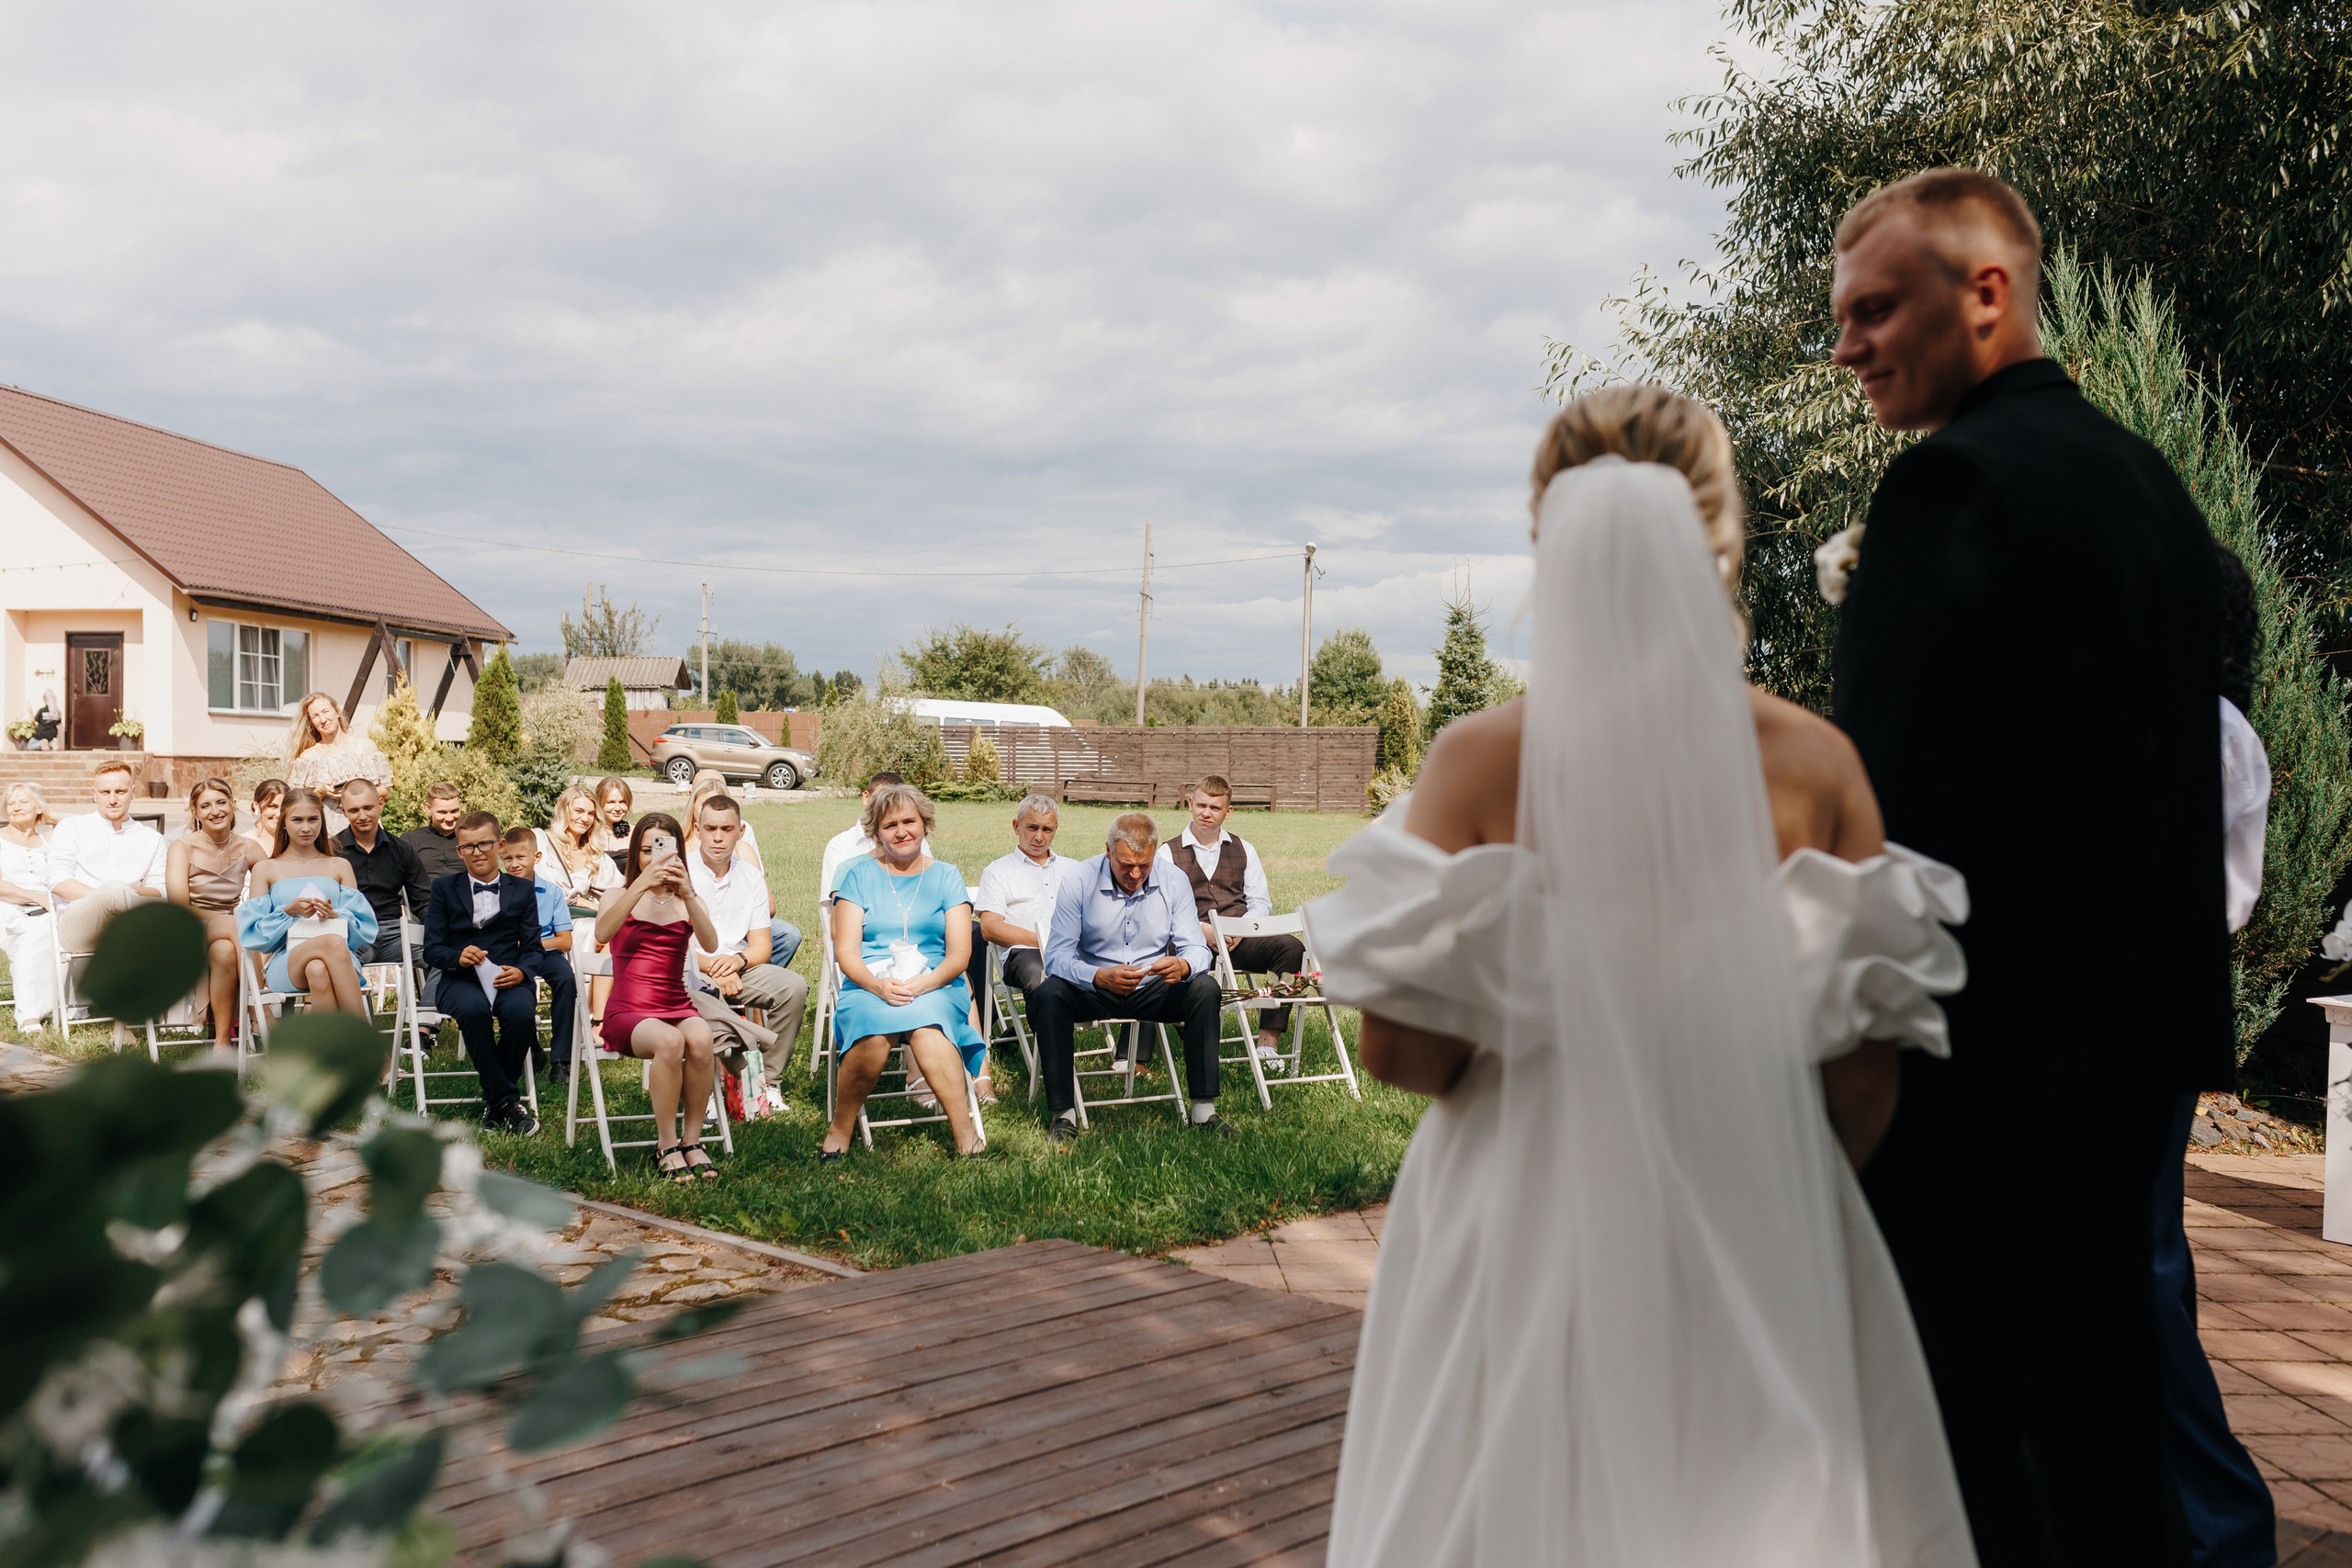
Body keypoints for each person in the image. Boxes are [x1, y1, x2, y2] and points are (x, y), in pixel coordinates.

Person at [1305, 386, 1973, 1565]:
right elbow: (1865, 1074)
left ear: (1545, 542)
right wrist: (1779, 1187)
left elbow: (1402, 1054)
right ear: (1723, 539)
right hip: (1753, 1196)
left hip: (1515, 1214)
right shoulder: (1815, 764)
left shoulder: (1475, 761)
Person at [1828, 168, 2225, 1565]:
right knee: (2109, 1415)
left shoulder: (1953, 486)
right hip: (2140, 1049)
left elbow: (1875, 803)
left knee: (1952, 1433)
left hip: (1981, 1063)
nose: (1847, 345)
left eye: (1876, 308)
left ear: (1985, 293)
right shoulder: (2148, 484)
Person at [2153, 546, 2275, 1568]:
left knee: (2141, 1273)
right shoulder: (2226, 730)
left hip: (2132, 1010)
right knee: (2149, 1267)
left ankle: (2222, 1528)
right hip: (2159, 1007)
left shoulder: (2196, 731)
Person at [1035, 813, 1232, 1148]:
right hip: (1094, 985)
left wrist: (1184, 965)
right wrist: (1097, 976)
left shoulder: (1173, 880)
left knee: (1205, 987)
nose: (1136, 875)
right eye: (1126, 865)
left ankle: (1203, 1111)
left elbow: (1197, 948)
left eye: (1145, 865)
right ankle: (1064, 1114)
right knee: (1050, 992)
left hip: (1151, 985)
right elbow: (1056, 957)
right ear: (1108, 852)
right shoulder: (1079, 880)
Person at [823, 784, 987, 1159]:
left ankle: (964, 1131)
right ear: (876, 832)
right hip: (870, 983)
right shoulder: (858, 877)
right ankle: (841, 1126)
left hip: (937, 982)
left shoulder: (947, 876)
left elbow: (960, 953)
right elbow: (845, 951)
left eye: (909, 821)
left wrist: (925, 982)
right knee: (873, 1033)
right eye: (890, 824)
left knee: (930, 1031)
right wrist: (879, 986)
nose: (901, 831)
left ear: (924, 823)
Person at [594, 812, 723, 1182]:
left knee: (700, 1037)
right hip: (628, 1010)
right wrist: (640, 885)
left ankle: (692, 1141)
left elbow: (712, 944)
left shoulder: (686, 900)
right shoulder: (618, 894)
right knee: (670, 1041)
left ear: (679, 854)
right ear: (635, 854)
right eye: (647, 850)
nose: (655, 857)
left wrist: (687, 892)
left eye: (663, 850)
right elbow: (602, 931)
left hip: (675, 1003)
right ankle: (666, 1145)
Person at [1159, 774, 1300, 1073]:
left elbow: (1261, 902)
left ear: (1228, 811)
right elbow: (1161, 910)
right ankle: (1185, 1027)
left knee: (1291, 948)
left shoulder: (1244, 849)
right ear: (1189, 804)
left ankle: (1266, 1044)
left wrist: (1239, 928)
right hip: (1190, 942)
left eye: (1214, 807)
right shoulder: (1167, 853)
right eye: (1201, 805)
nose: (1206, 813)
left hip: (1239, 938)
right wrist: (1201, 929)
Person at [421, 810, 549, 1135]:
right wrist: (457, 956)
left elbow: (534, 947)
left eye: (485, 844)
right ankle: (507, 1102)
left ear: (500, 843)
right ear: (458, 851)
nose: (477, 852)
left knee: (521, 1014)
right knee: (474, 1012)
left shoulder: (521, 889)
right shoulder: (444, 889)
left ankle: (496, 1102)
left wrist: (521, 972)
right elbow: (432, 948)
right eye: (468, 847)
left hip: (508, 977)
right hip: (459, 980)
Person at [239, 787, 377, 1021]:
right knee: (330, 945)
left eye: (313, 819)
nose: (306, 828)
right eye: (297, 820)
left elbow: (364, 930)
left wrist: (335, 915)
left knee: (318, 970)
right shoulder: (266, 868)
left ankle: (319, 1055)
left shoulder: (339, 866)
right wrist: (286, 912)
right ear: (284, 823)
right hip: (287, 960)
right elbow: (254, 935)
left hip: (340, 959)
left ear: (322, 822)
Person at [684, 792, 808, 1048]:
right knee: (708, 995)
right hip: (688, 968)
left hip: (739, 967)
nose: (718, 837)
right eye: (710, 828)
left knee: (793, 988)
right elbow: (669, 944)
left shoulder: (751, 876)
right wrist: (711, 968)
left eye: (726, 829)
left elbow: (762, 946)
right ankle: (719, 1078)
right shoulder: (681, 870)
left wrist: (735, 961)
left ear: (740, 831)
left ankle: (769, 1079)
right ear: (697, 829)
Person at [971, 794, 1077, 1092]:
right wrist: (1043, 940)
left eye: (1047, 829)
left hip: (1075, 951)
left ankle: (1127, 1057)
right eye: (1032, 828)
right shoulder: (999, 871)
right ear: (1017, 825)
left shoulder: (1073, 869)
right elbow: (990, 929)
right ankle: (1057, 1073)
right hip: (1025, 954)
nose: (1039, 837)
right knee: (1044, 982)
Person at [168, 777, 257, 1056]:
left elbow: (269, 892)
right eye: (205, 806)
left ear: (233, 805)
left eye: (221, 802)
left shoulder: (250, 848)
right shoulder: (182, 847)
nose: (215, 811)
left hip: (231, 937)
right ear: (195, 812)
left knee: (223, 952)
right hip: (189, 929)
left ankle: (221, 1042)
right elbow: (179, 905)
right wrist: (229, 921)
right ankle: (263, 1007)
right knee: (234, 924)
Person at [49, 759, 167, 956]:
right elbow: (59, 882)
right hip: (78, 925)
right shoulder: (71, 827)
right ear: (94, 794)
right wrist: (108, 897)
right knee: (115, 890)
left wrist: (122, 895)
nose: (112, 799)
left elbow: (161, 891)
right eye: (105, 792)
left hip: (131, 920)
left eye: (120, 791)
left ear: (133, 791)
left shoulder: (152, 838)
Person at [686, 768, 801, 966]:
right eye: (706, 804)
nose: (714, 809)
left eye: (719, 803)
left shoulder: (742, 847)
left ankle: (753, 974)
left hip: (741, 923)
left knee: (787, 935)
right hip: (695, 934)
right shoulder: (681, 847)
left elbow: (768, 906)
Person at [538, 785, 626, 1029]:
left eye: (590, 814)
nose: (584, 819)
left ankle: (597, 1019)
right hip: (551, 925)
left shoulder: (593, 852)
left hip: (585, 922)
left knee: (614, 935)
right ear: (563, 809)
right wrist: (594, 906)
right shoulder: (543, 844)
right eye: (578, 810)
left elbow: (619, 889)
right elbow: (554, 893)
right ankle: (592, 1020)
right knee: (603, 933)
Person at [501, 827, 581, 1082]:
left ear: (536, 857)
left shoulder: (552, 892)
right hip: (511, 956)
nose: (514, 864)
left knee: (566, 979)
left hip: (545, 952)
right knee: (513, 983)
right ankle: (531, 1048)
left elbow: (565, 941)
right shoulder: (497, 891)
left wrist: (530, 943)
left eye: (520, 858)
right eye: (508, 858)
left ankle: (561, 1060)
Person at [334, 777, 432, 964]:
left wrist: (435, 931)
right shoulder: (332, 851)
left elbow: (424, 899)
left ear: (380, 804)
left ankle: (428, 995)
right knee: (339, 962)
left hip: (396, 933)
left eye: (368, 808)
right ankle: (358, 995)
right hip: (353, 933)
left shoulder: (402, 849)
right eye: (354, 810)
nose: (362, 816)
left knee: (443, 958)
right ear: (343, 811)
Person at [284, 691, 392, 827]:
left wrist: (354, 792)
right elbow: (296, 805)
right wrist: (321, 792)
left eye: (325, 711)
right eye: (315, 716)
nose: (323, 720)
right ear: (311, 722)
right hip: (327, 832)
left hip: (367, 827)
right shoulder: (308, 758)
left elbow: (386, 792)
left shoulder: (366, 748)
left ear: (337, 712)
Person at [0, 782, 57, 1032]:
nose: (16, 807)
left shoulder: (50, 838)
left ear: (38, 808)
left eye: (23, 801)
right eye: (11, 803)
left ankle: (65, 1006)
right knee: (35, 933)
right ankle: (29, 1015)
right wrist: (33, 896)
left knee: (64, 931)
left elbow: (79, 829)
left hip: (48, 906)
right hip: (7, 906)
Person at [820, 771, 928, 896]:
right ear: (866, 797)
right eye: (880, 799)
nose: (886, 805)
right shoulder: (840, 847)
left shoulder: (915, 843)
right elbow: (832, 909)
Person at [401, 783, 467, 883]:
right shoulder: (410, 840)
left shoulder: (471, 839)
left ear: (460, 805)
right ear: (428, 808)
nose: (449, 818)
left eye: (454, 811)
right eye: (442, 812)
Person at [593, 775, 636, 873]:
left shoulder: (636, 833)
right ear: (598, 803)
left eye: (622, 802)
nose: (617, 808)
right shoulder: (587, 833)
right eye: (611, 802)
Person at [246, 778, 288, 862]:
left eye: (284, 808)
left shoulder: (294, 844)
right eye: (272, 806)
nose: (279, 814)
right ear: (256, 805)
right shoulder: (241, 843)